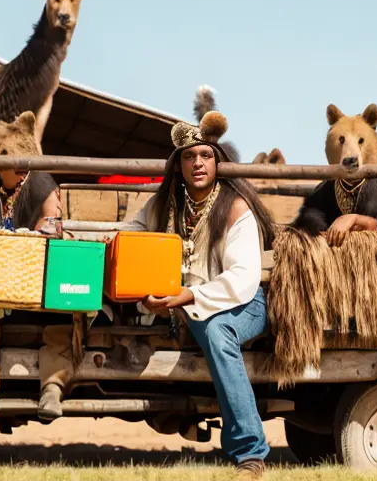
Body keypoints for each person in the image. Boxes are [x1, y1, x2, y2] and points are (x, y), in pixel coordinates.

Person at [119, 109, 277, 480]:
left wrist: (184, 298)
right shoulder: (164, 205)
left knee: (218, 331)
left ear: (218, 162)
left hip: (244, 303)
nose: (198, 163)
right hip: (185, 303)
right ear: (178, 166)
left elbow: (242, 278)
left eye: (206, 155)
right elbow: (131, 235)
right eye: (189, 157)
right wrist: (145, 289)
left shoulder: (236, 207)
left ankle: (250, 454)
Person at [0, 112, 65, 412]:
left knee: (65, 307)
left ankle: (53, 386)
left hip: (37, 279)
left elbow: (49, 231)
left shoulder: (43, 183)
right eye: (4, 155)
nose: (13, 163)